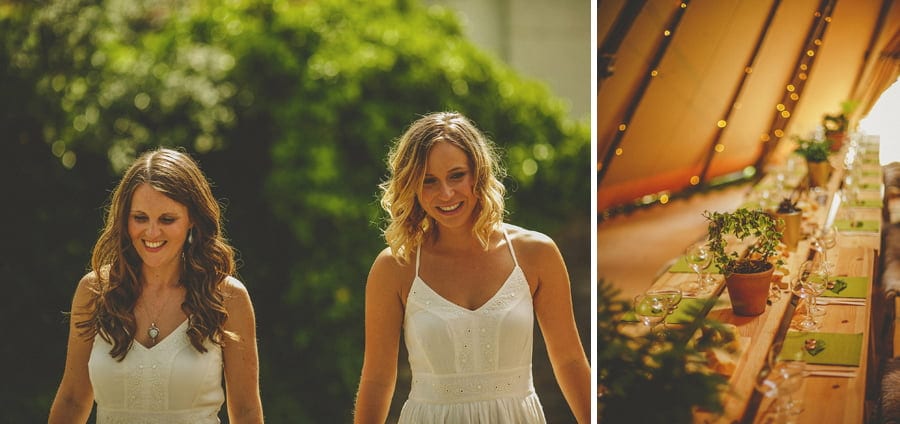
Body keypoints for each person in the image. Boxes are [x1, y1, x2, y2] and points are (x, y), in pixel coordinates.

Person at [354, 112, 590, 423]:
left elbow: (570, 360)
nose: (446, 193)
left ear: (477, 174)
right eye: (429, 181)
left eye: (456, 176)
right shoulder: (394, 267)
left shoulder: (536, 253)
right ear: (411, 186)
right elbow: (377, 380)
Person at [48, 148, 264, 423]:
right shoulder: (94, 292)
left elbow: (246, 412)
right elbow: (72, 399)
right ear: (124, 220)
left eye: (167, 219)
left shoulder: (227, 297)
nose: (151, 233)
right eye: (140, 218)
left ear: (192, 219)